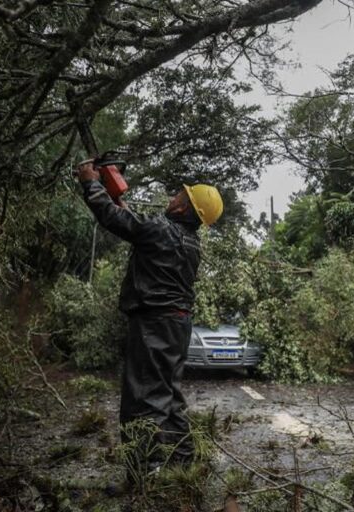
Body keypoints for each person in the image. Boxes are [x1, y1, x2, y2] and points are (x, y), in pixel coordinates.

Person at [76, 160, 223, 470]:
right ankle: (182, 465)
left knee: (142, 401)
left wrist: (91, 182)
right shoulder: (191, 242)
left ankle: (145, 474)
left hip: (153, 324)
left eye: (178, 197)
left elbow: (115, 220)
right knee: (168, 395)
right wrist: (114, 191)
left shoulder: (160, 230)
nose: (172, 198)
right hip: (177, 325)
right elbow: (132, 223)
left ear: (184, 209)